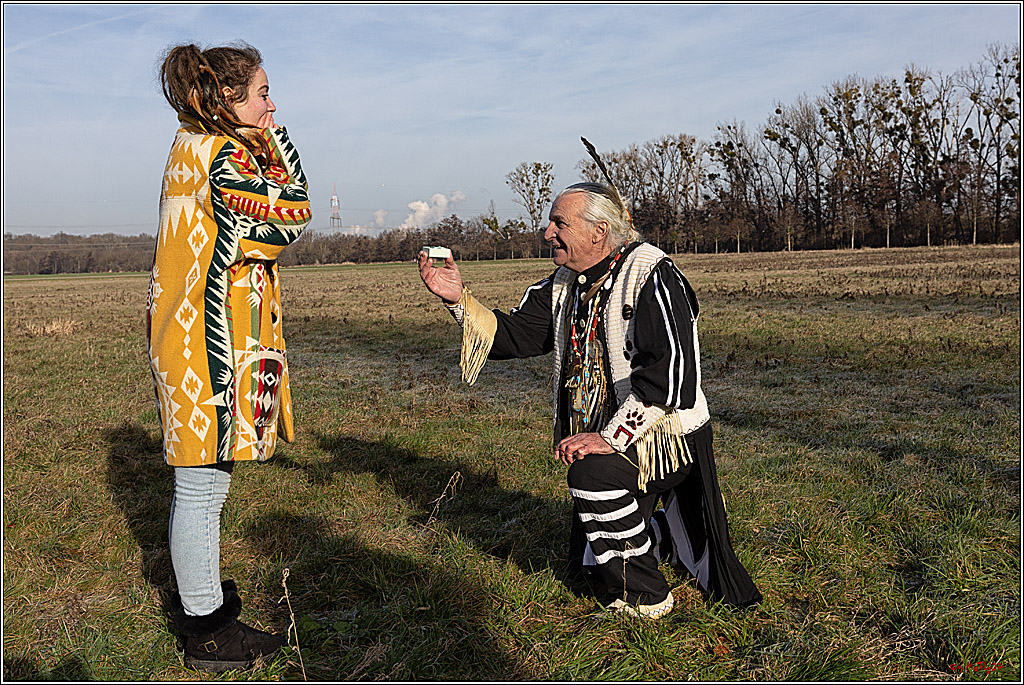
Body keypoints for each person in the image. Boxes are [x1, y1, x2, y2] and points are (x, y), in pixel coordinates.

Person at [417, 178, 761, 618]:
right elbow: (517, 335)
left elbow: (671, 380)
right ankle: (662, 535)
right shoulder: (566, 282)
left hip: (668, 435)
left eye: (559, 222)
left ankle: (646, 597)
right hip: (615, 430)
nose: (547, 233)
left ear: (598, 231)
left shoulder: (653, 274)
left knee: (592, 475)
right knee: (588, 562)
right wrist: (457, 300)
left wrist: (610, 438)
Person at [147, 42, 312, 671]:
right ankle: (207, 631)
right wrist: (281, 138)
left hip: (185, 333)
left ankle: (205, 607)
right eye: (263, 93)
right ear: (225, 99)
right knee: (201, 487)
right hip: (210, 345)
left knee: (202, 482)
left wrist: (261, 131)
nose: (272, 105)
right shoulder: (222, 155)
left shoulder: (189, 145)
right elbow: (291, 213)